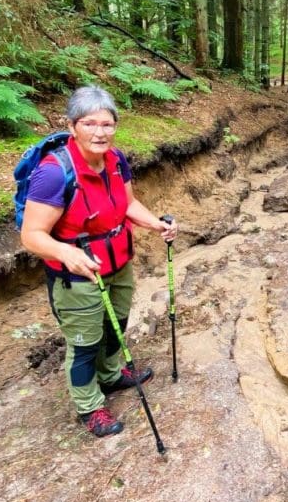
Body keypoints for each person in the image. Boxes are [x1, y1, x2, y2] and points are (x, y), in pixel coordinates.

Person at [20, 86, 178, 438]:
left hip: (118, 262)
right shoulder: (53, 172)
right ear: (72, 126)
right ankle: (89, 406)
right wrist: (67, 253)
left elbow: (127, 204)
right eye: (89, 123)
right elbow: (31, 235)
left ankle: (110, 375)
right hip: (77, 277)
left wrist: (155, 224)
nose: (100, 132)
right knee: (85, 343)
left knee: (116, 325)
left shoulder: (115, 159)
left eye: (107, 124)